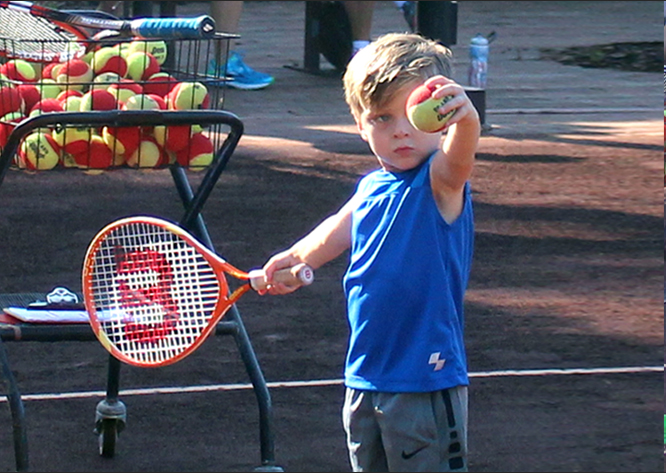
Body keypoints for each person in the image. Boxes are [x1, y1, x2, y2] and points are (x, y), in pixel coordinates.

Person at [258, 32, 480, 472]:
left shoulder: (438, 182)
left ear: (440, 120)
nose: (400, 130)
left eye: (414, 116)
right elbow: (332, 234)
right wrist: (295, 259)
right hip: (365, 376)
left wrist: (467, 121)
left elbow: (459, 160)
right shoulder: (371, 189)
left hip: (426, 379)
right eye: (381, 118)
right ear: (360, 125)